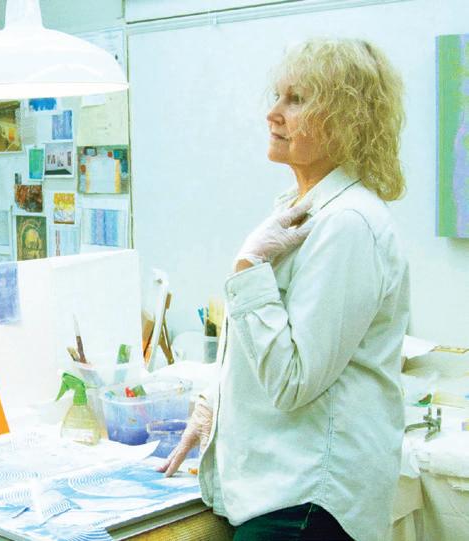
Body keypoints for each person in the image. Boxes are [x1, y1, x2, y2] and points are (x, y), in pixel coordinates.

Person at [159, 38, 410, 541]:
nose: (273, 113)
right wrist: (215, 403)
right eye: (278, 96)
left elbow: (293, 381)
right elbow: (269, 347)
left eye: (297, 100)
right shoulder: (302, 210)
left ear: (346, 120)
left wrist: (248, 268)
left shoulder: (348, 224)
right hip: (281, 491)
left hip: (308, 501)